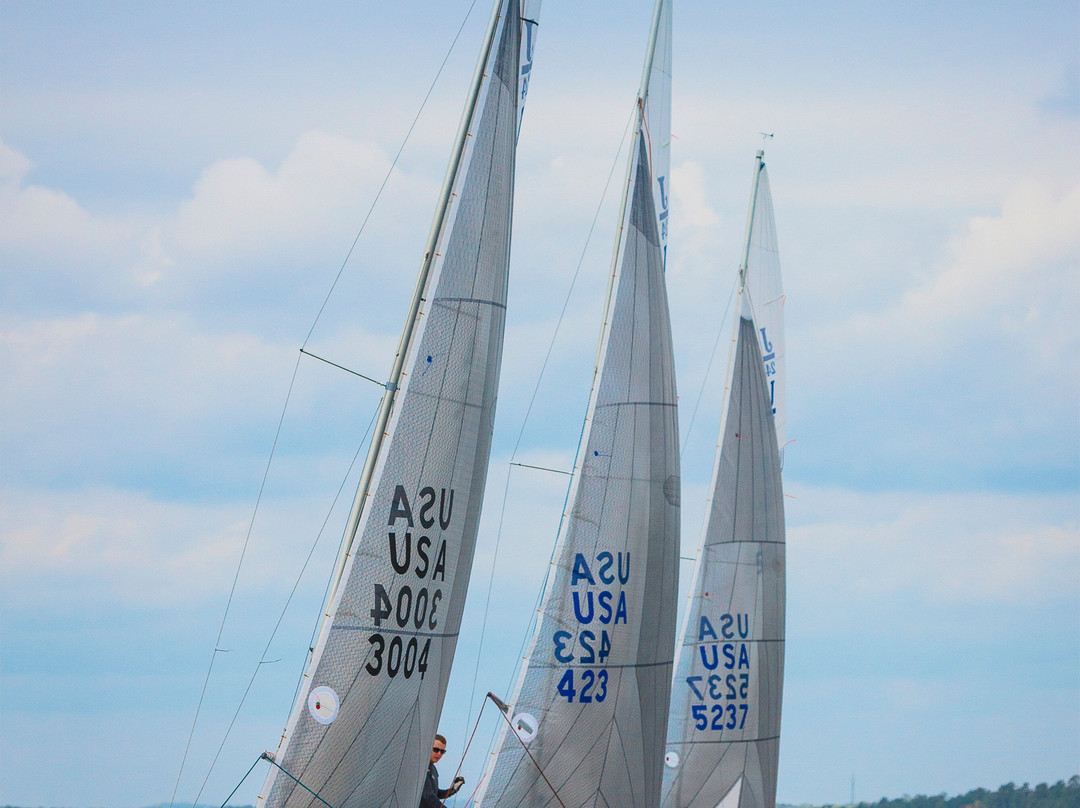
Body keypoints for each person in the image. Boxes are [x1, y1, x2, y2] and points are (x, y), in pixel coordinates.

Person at [420, 733, 465, 808]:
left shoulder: (433, 769)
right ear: (428, 747)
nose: (439, 754)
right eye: (436, 750)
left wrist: (452, 790)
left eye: (442, 752)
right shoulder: (421, 767)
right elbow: (428, 796)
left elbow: (436, 794)